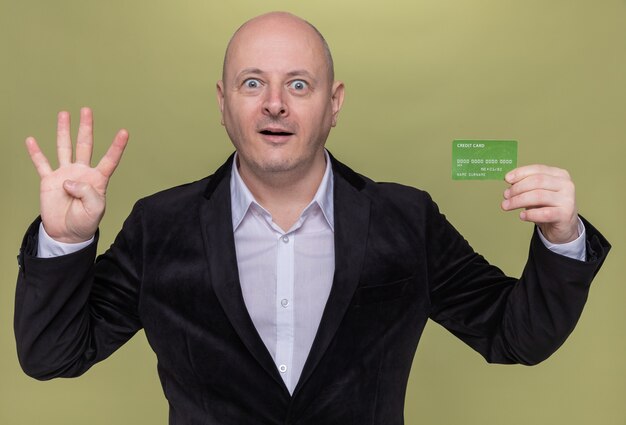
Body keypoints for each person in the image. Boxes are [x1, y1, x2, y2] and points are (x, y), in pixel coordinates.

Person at [15, 11, 610, 425]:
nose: (275, 102)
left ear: (334, 104)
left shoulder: (405, 218)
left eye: (299, 84)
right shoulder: (159, 226)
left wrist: (562, 240)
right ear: (224, 103)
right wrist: (66, 241)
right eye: (254, 83)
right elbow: (53, 356)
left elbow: (515, 334)